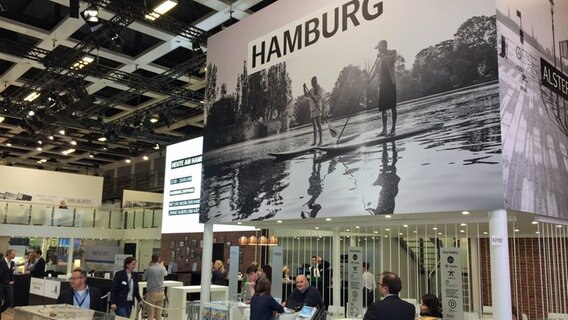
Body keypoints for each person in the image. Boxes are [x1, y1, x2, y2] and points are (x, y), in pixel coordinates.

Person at [372, 40, 398, 137]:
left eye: (379, 48)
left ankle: (393, 129)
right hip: (382, 86)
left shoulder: (393, 53)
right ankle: (384, 130)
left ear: (384, 46)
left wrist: (382, 56)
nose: (378, 50)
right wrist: (368, 80)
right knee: (383, 109)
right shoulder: (379, 61)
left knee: (392, 107)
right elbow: (374, 73)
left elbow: (390, 60)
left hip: (391, 84)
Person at [143, 254, 168, 320]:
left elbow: (143, 278)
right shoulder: (162, 268)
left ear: (151, 260)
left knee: (150, 313)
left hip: (151, 293)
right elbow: (166, 274)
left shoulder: (149, 269)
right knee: (159, 313)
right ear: (159, 259)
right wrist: (162, 265)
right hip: (161, 292)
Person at [304, 76, 324, 146]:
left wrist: (314, 96)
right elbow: (306, 95)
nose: (312, 84)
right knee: (314, 126)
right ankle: (315, 142)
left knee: (318, 124)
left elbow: (319, 97)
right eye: (311, 83)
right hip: (312, 109)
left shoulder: (319, 88)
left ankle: (321, 141)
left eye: (313, 82)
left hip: (317, 108)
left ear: (315, 82)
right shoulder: (311, 90)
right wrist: (304, 88)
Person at [0, 249, 16, 319]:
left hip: (8, 284)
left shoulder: (12, 263)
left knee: (9, 301)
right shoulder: (1, 262)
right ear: (9, 254)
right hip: (1, 284)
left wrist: (12, 280)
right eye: (13, 254)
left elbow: (11, 273)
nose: (14, 255)